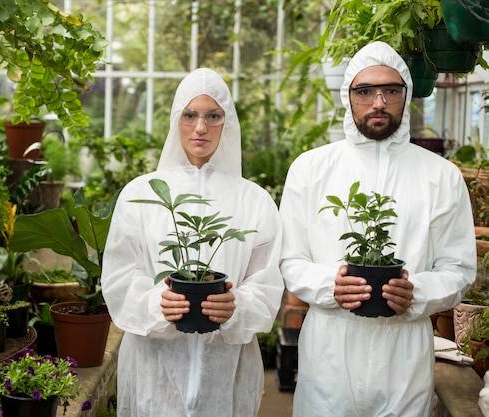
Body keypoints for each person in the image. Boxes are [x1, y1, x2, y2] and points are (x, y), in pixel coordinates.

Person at [279, 41, 476, 416]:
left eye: (391, 90)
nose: (378, 102)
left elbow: (459, 268)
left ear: (407, 94)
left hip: (403, 355)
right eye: (365, 91)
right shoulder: (311, 169)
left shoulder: (441, 176)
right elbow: (291, 259)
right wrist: (330, 285)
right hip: (329, 353)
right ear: (347, 96)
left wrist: (417, 292)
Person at [101, 68, 284, 417]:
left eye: (213, 116)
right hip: (154, 374)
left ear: (227, 123)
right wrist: (158, 302)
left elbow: (266, 284)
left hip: (226, 373)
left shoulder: (255, 201)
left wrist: (235, 306)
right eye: (190, 115)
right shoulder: (140, 195)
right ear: (176, 120)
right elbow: (119, 277)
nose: (201, 127)